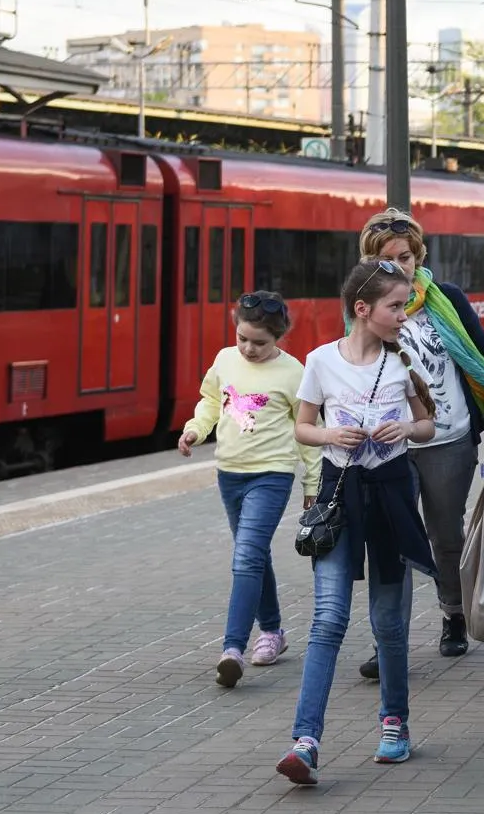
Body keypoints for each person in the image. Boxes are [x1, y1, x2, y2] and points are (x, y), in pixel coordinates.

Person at [279, 259, 438, 784]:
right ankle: (305, 743)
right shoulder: (321, 361)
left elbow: (428, 424)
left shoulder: (401, 361)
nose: (403, 314)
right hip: (339, 495)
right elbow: (303, 427)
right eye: (396, 306)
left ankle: (395, 724)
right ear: (363, 309)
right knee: (328, 619)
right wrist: (329, 437)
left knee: (388, 622)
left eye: (406, 304)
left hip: (391, 496)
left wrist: (406, 428)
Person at [355, 209, 484, 678]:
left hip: (449, 437)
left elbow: (479, 356)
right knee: (391, 540)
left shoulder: (449, 299)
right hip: (389, 442)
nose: (399, 265)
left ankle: (452, 614)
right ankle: (389, 641)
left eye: (405, 256)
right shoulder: (365, 305)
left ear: (418, 255)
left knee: (445, 534)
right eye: (387, 258)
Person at [179, 290, 319, 689]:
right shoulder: (225, 360)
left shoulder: (294, 373)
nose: (249, 348)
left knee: (245, 558)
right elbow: (210, 401)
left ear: (279, 338)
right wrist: (195, 429)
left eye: (260, 342)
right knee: (253, 554)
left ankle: (232, 649)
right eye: (243, 338)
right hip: (230, 473)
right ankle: (272, 632)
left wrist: (312, 483)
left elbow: (307, 429)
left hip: (272, 475)